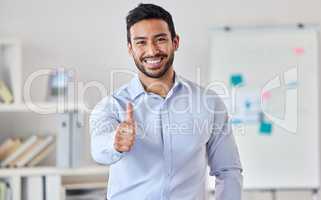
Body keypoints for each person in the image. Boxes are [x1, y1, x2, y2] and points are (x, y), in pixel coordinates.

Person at [90, 3, 243, 200]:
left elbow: (228, 170)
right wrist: (116, 143)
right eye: (141, 42)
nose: (152, 51)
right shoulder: (112, 106)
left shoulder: (209, 103)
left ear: (175, 42)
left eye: (160, 39)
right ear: (130, 49)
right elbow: (98, 149)